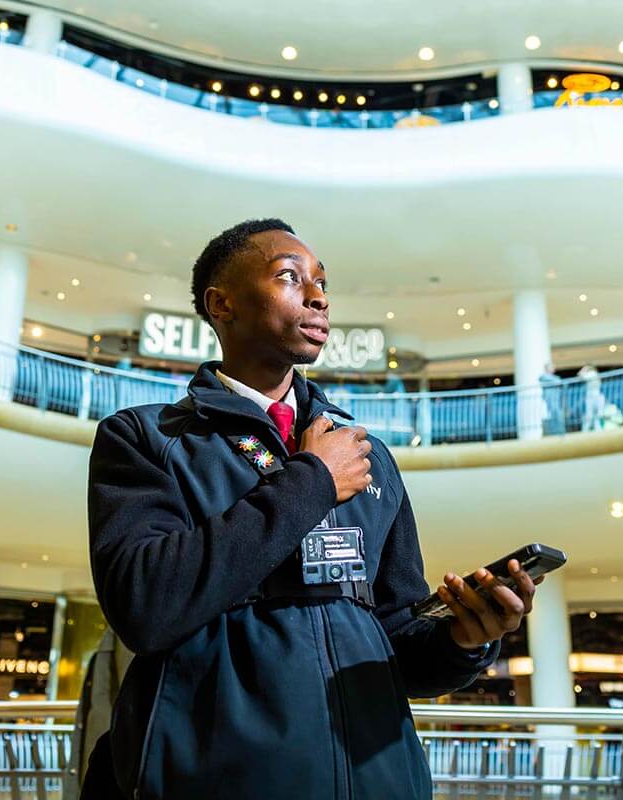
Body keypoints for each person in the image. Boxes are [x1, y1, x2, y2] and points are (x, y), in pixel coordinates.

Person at [85, 219, 545, 799]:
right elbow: (146, 605)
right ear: (221, 303)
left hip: (378, 778)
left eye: (322, 282)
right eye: (289, 276)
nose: (318, 295)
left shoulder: (366, 455)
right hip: (214, 777)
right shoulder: (146, 437)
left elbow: (397, 639)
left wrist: (465, 639)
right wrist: (313, 481)